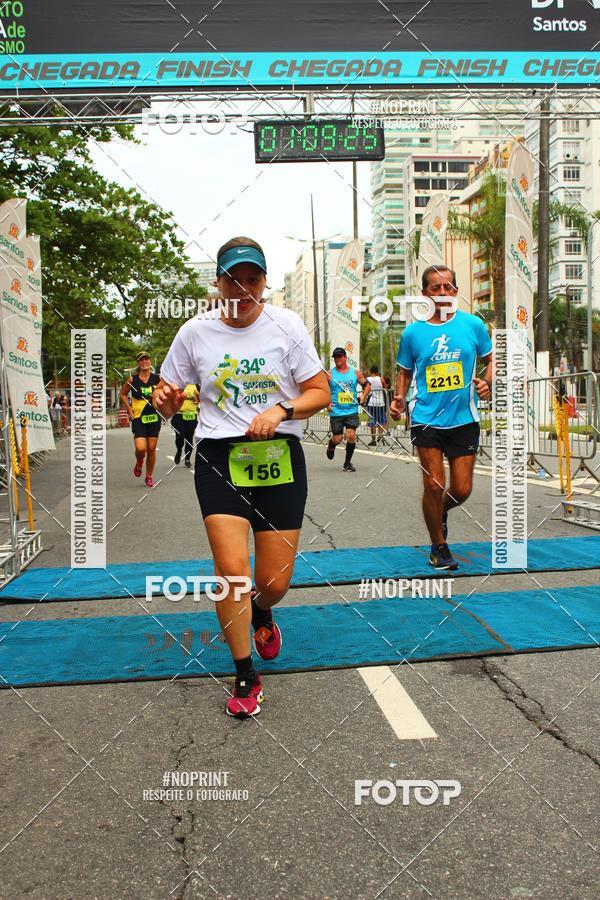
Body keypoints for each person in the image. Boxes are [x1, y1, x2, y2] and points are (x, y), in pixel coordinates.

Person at [154, 236, 329, 719]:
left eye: (253, 280)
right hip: (218, 454)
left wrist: (283, 408)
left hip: (278, 453)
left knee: (272, 583)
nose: (244, 289)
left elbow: (320, 393)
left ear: (264, 283)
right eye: (234, 279)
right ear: (218, 283)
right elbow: (166, 394)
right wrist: (165, 402)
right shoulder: (195, 332)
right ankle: (245, 673)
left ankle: (264, 611)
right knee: (232, 572)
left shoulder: (286, 325)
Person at [390, 265, 492, 571]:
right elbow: (405, 371)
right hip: (426, 418)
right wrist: (398, 398)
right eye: (436, 288)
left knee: (461, 490)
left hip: (464, 418)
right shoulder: (413, 333)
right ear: (425, 295)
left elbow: (490, 361)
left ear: (457, 292)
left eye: (448, 287)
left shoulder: (473, 326)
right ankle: (439, 546)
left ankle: (440, 512)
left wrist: (488, 381)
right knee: (434, 485)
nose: (443, 292)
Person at [120, 351, 161, 488]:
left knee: (151, 448)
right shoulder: (133, 380)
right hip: (138, 417)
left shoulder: (157, 379)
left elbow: (163, 393)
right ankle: (139, 461)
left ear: (150, 362)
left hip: (154, 417)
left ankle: (148, 476)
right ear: (138, 363)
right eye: (141, 360)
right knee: (141, 448)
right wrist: (129, 409)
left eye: (147, 359)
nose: (144, 362)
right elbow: (123, 394)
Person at [326, 348, 370, 472]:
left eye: (340, 356)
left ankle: (347, 463)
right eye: (335, 357)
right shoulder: (329, 374)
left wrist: (363, 397)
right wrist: (327, 403)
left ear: (345, 358)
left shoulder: (355, 373)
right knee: (338, 438)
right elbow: (323, 390)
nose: (337, 359)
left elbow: (367, 385)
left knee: (351, 436)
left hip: (351, 410)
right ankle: (331, 444)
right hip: (336, 412)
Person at [171, 383, 200, 467]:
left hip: (191, 415)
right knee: (180, 436)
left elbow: (198, 401)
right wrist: (188, 397)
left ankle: (187, 459)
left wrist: (196, 398)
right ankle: (179, 450)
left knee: (189, 438)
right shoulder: (178, 384)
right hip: (179, 414)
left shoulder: (196, 385)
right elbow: (173, 398)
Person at [365, 365, 388, 446]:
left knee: (372, 421)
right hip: (380, 403)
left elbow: (364, 390)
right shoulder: (381, 379)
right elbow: (386, 389)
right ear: (377, 371)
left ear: (370, 371)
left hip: (371, 403)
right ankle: (380, 436)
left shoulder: (367, 380)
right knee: (382, 420)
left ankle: (373, 440)